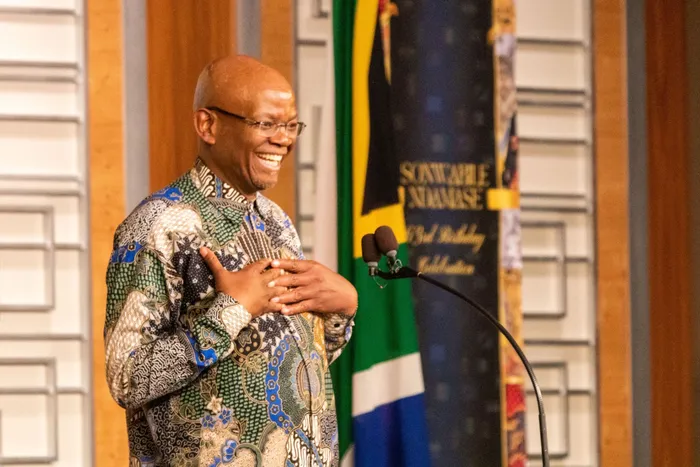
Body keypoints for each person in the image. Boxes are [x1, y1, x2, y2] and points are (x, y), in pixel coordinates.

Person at [104, 55, 358, 467]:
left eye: (291, 125)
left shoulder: (276, 222)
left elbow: (281, 367)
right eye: (267, 123)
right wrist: (229, 311)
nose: (284, 139)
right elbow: (126, 378)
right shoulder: (157, 226)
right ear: (208, 125)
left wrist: (340, 314)